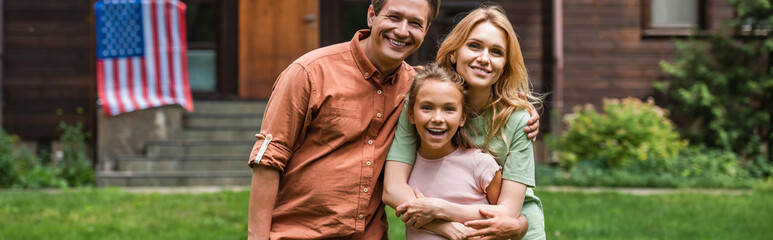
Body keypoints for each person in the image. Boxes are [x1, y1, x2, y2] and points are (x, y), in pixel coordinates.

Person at [246, 0, 540, 239]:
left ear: (425, 31)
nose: (402, 31)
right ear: (372, 14)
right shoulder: (310, 73)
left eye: (414, 23)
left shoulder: (417, 88)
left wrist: (518, 104)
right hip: (299, 233)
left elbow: (454, 82)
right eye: (394, 17)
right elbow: (269, 159)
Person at [383, 4, 546, 240]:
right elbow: (392, 188)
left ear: (505, 65)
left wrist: (438, 210)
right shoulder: (424, 105)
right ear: (454, 53)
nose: (484, 59)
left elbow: (507, 214)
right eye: (474, 46)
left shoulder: (519, 120)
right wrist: (442, 225)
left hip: (513, 231)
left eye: (496, 52)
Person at [399, 63, 508, 240]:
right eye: (427, 107)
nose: (437, 119)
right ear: (411, 114)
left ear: (462, 118)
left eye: (449, 109)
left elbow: (505, 219)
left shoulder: (480, 165)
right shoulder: (405, 170)